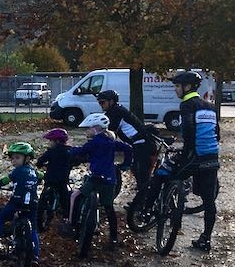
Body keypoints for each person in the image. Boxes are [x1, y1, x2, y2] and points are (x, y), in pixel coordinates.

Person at [145, 71, 220, 251]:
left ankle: (148, 211)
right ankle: (205, 239)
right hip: (211, 157)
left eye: (177, 86)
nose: (175, 90)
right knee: (209, 201)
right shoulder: (210, 106)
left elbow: (188, 130)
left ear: (187, 87)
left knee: (161, 174)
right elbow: (217, 133)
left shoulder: (187, 104)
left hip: (194, 156)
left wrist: (185, 153)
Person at [63, 113, 133, 244]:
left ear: (96, 128)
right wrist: (126, 164)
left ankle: (72, 225)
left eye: (89, 128)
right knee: (109, 207)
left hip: (96, 178)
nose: (87, 131)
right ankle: (113, 237)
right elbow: (128, 148)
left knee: (76, 196)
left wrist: (68, 149)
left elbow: (80, 151)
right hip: (110, 179)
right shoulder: (111, 142)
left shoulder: (94, 142)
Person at [96, 90, 158, 211]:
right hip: (139, 145)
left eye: (102, 102)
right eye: (99, 103)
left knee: (142, 176)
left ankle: (143, 205)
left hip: (143, 145)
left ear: (111, 101)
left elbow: (110, 131)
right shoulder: (115, 110)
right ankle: (142, 202)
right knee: (139, 174)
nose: (101, 105)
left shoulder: (115, 112)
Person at [0, 142, 41, 264]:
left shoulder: (17, 171)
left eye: (17, 158)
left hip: (17, 202)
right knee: (34, 229)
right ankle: (35, 256)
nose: (14, 161)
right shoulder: (34, 172)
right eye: (12, 158)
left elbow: (6, 180)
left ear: (27, 159)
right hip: (33, 204)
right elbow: (41, 176)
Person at [36, 128, 73, 220]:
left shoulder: (51, 151)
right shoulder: (69, 151)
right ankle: (66, 216)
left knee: (43, 196)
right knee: (65, 198)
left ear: (56, 141)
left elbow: (40, 161)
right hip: (62, 181)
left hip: (50, 179)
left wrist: (42, 165)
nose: (49, 143)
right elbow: (77, 160)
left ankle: (40, 216)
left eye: (50, 141)